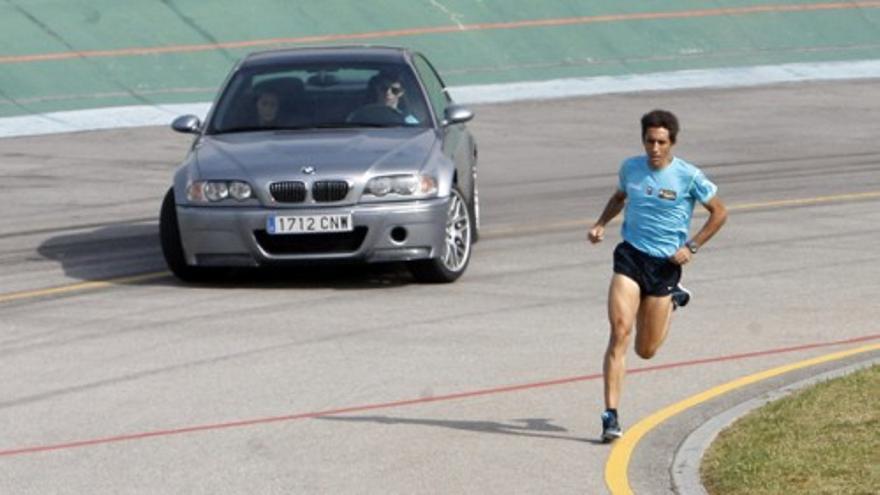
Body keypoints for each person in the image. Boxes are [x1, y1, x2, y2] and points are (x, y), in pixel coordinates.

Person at [587, 109, 728, 442]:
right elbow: (619, 196)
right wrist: (600, 224)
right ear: (643, 141)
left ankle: (673, 298)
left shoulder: (688, 176)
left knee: (646, 350)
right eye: (649, 141)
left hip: (665, 265)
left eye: (661, 142)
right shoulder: (630, 168)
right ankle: (610, 415)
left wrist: (692, 246)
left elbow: (720, 212)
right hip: (631, 257)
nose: (654, 148)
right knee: (620, 331)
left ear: (672, 143)